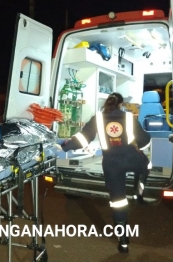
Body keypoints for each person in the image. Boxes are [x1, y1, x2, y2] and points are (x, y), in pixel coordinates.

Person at [59, 92, 151, 253]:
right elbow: (144, 141)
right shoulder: (129, 118)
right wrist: (141, 149)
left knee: (118, 202)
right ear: (121, 104)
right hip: (131, 159)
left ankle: (122, 241)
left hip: (111, 164)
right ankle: (139, 191)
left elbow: (83, 139)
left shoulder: (98, 118)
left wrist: (65, 146)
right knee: (147, 165)